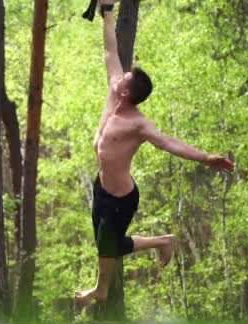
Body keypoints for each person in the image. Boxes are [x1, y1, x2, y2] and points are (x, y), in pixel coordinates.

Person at [75, 0, 235, 308]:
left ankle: (149, 253)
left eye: (125, 78)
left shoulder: (138, 124)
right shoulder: (114, 91)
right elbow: (110, 52)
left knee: (110, 245)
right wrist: (107, 11)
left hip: (121, 198)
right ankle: (111, 282)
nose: (119, 75)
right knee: (104, 244)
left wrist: (205, 158)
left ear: (127, 92)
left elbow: (170, 143)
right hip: (101, 187)